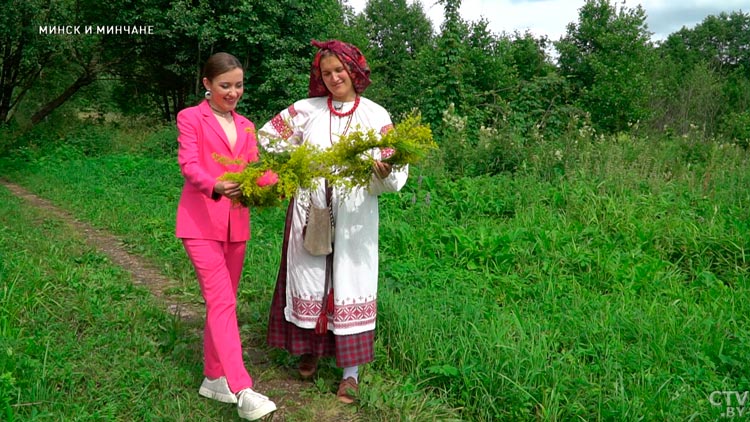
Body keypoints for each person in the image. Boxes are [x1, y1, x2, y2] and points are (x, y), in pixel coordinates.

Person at [258, 40, 409, 404]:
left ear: (355, 71)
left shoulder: (376, 115)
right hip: (312, 206)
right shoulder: (306, 110)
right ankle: (310, 348)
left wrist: (384, 171)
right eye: (326, 73)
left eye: (339, 71)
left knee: (349, 279)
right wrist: (300, 160)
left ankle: (350, 373)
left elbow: (397, 167)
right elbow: (267, 136)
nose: (333, 78)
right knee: (309, 275)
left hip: (355, 211)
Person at [175, 52, 276, 421]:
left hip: (236, 226)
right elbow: (189, 165)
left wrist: (287, 180)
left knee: (224, 301)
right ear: (207, 84)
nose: (233, 92)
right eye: (225, 85)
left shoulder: (247, 124)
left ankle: (213, 377)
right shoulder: (191, 118)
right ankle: (241, 388)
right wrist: (216, 184)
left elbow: (254, 172)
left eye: (238, 85)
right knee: (222, 302)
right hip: (200, 223)